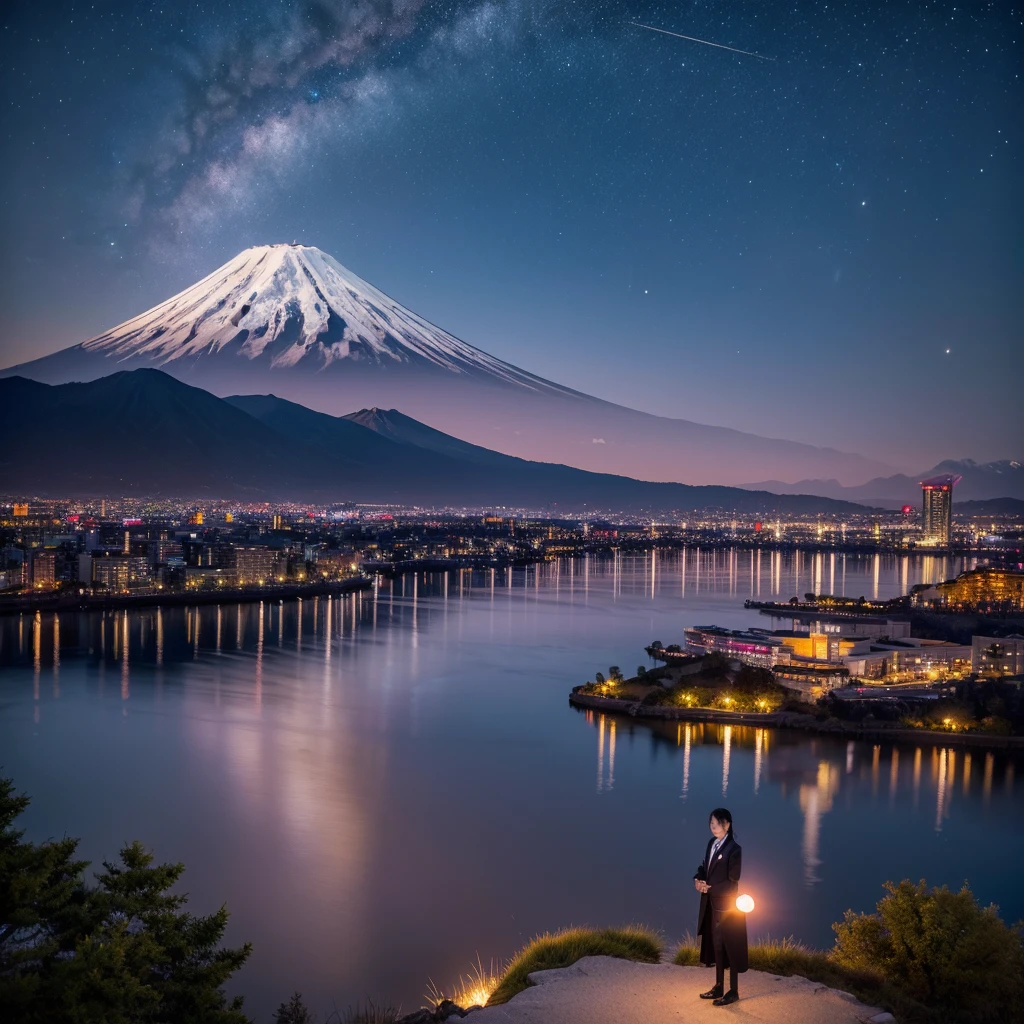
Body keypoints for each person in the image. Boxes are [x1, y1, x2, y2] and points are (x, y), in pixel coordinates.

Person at [693, 807, 748, 1006]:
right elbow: (704, 867)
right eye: (711, 824)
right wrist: (698, 880)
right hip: (711, 905)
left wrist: (710, 888)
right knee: (716, 946)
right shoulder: (712, 844)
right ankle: (718, 986)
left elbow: (734, 881)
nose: (713, 827)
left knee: (730, 946)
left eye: (717, 824)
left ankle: (733, 991)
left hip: (727, 907)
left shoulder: (734, 849)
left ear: (727, 825)